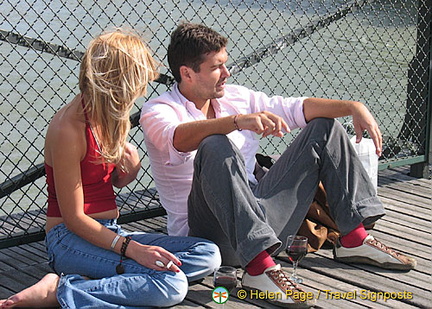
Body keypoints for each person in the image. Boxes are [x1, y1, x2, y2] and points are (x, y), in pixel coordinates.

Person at [140, 22, 417, 308]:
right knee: (214, 143)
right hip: (209, 236)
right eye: (217, 67)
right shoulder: (158, 111)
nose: (227, 73)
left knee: (324, 127)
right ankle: (259, 270)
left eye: (226, 63)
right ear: (187, 73)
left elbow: (296, 108)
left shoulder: (238, 96)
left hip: (261, 221)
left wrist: (351, 106)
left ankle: (354, 239)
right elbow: (178, 138)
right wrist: (236, 122)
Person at [0, 28, 221, 309]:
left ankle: (85, 282)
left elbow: (113, 182)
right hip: (69, 239)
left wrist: (130, 170)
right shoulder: (69, 129)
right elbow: (74, 218)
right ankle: (58, 292)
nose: (140, 91)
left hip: (110, 233)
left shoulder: (111, 114)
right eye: (137, 82)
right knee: (172, 284)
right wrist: (132, 249)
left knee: (207, 253)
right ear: (118, 81)